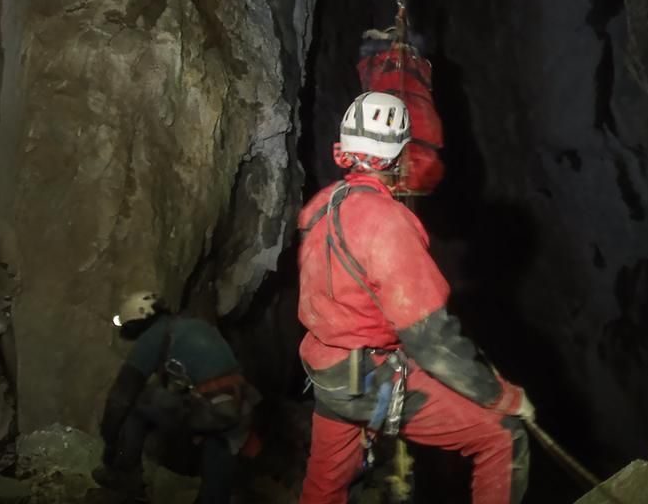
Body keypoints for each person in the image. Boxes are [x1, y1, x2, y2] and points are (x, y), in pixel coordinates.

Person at [297, 91, 533, 504]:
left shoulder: (322, 207)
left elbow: (350, 299)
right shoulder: (388, 224)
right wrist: (501, 396)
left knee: (324, 490)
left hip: (328, 375)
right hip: (369, 379)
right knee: (501, 435)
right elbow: (431, 339)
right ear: (399, 155)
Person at [93, 290, 258, 503]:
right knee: (220, 442)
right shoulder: (191, 325)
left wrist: (110, 442)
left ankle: (124, 476)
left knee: (138, 402)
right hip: (238, 405)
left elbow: (121, 396)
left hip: (211, 408)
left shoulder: (153, 337)